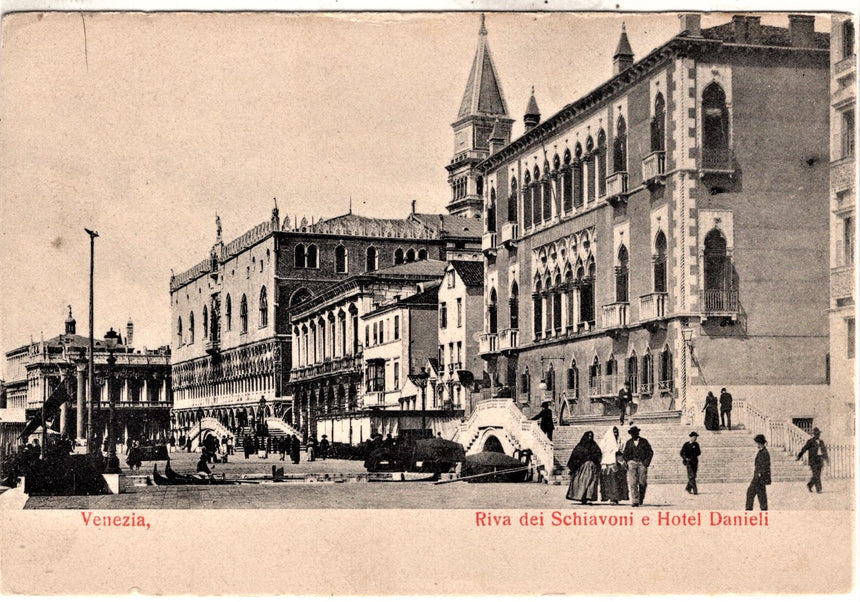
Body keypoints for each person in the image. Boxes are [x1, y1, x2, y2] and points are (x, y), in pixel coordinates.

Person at [565, 431, 602, 505]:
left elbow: (598, 454)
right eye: (588, 436)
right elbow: (575, 457)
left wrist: (594, 460)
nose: (590, 438)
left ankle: (589, 498)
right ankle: (583, 498)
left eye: (591, 436)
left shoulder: (594, 445)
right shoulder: (580, 446)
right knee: (583, 483)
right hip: (582, 468)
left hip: (592, 467)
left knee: (591, 483)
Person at [622, 426, 654, 507]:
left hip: (642, 463)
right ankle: (635, 500)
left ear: (638, 433)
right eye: (632, 433)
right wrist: (628, 462)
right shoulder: (629, 442)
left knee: (642, 482)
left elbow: (650, 452)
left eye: (635, 433)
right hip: (632, 463)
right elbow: (625, 454)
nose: (633, 435)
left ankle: (641, 498)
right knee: (633, 482)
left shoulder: (644, 441)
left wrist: (646, 463)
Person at [598, 426, 628, 504]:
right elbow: (602, 453)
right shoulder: (604, 442)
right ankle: (611, 498)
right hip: (608, 464)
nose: (615, 434)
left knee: (618, 482)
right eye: (614, 432)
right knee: (610, 482)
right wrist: (603, 463)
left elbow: (622, 450)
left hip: (618, 464)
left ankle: (617, 497)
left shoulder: (620, 441)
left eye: (616, 432)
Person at [796, 427, 829, 493]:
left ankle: (809, 485)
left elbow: (824, 451)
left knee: (817, 475)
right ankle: (819, 489)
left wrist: (827, 459)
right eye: (816, 434)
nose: (817, 435)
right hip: (813, 460)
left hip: (820, 460)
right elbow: (804, 449)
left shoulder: (821, 442)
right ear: (814, 434)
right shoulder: (810, 441)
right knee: (816, 474)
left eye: (818, 434)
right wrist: (799, 456)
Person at [746, 434, 771, 511]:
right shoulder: (762, 451)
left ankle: (749, 510)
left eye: (757, 442)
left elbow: (766, 465)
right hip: (758, 477)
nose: (756, 444)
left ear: (760, 443)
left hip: (759, 478)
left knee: (752, 493)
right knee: (760, 495)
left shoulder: (764, 453)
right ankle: (762, 510)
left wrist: (760, 475)